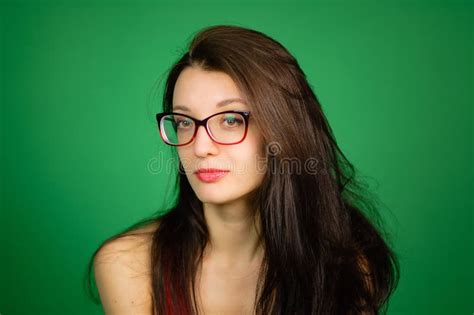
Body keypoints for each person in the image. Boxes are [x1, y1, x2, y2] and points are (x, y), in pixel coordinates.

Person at [86, 24, 400, 315]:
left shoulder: (343, 263)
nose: (200, 147)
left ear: (281, 128)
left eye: (231, 120)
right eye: (184, 122)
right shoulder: (128, 265)